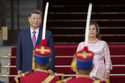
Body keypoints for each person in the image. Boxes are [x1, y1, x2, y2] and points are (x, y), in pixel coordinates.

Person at [16, 9, 55, 75]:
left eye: (38, 18)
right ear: (29, 19)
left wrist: (50, 68)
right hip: (26, 70)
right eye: (33, 18)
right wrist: (19, 68)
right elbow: (19, 52)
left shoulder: (47, 34)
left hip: (42, 70)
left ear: (41, 20)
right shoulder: (22, 34)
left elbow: (52, 53)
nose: (36, 21)